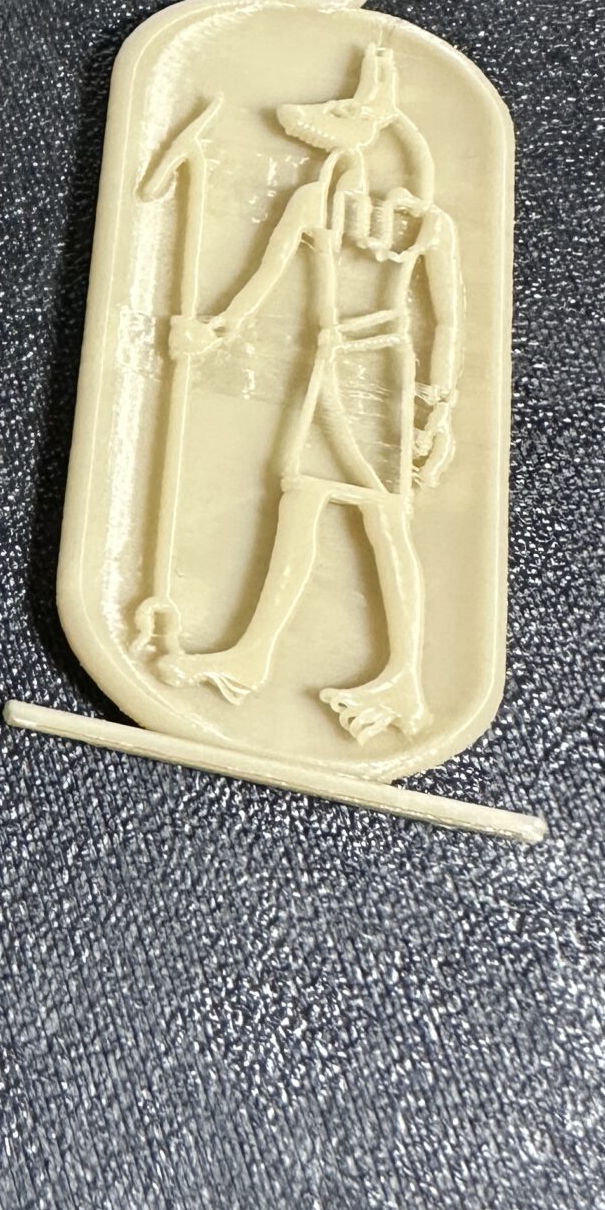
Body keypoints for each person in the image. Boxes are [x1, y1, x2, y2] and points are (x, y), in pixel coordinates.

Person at [150, 46, 461, 744]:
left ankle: (406, 678)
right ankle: (251, 655)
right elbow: (264, 277)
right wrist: (214, 329)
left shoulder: (426, 224)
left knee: (384, 519)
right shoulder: (313, 200)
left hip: (381, 372)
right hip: (328, 364)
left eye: (346, 114)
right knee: (302, 504)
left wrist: (438, 407)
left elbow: (447, 322)